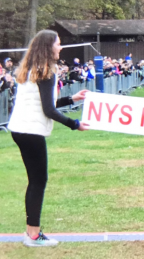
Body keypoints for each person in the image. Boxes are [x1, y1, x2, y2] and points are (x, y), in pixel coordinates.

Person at [7, 30, 89, 247]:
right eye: (58, 44)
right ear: (48, 47)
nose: (60, 48)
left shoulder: (31, 69)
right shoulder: (46, 72)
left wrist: (72, 98)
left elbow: (46, 104)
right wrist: (74, 124)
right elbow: (48, 110)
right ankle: (33, 235)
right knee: (38, 181)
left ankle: (30, 233)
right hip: (30, 131)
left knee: (35, 181)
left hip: (20, 129)